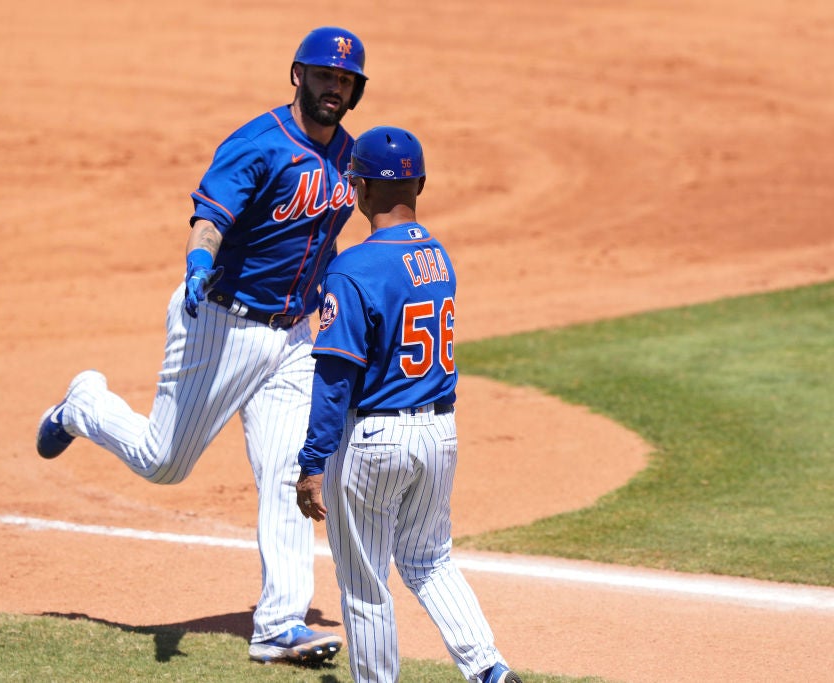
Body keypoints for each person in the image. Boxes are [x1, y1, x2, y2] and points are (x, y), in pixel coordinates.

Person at [35, 26, 369, 665]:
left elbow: (323, 242)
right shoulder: (259, 144)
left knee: (289, 474)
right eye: (325, 75)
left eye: (346, 80)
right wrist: (197, 263)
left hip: (294, 338)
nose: (334, 87)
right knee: (164, 461)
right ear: (298, 75)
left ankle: (279, 628)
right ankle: (84, 405)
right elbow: (210, 218)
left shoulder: (347, 158)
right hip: (219, 320)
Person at [294, 126, 524, 683]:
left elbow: (334, 376)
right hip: (439, 433)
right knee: (430, 559)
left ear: (360, 189)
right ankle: (488, 669)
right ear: (418, 182)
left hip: (375, 442)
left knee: (366, 584)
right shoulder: (436, 257)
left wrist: (312, 463)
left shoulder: (353, 269)